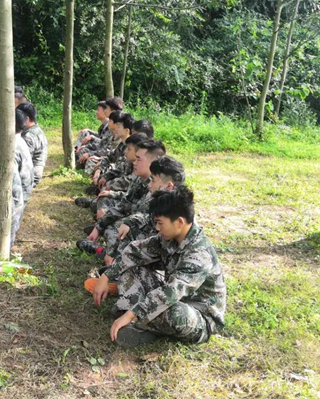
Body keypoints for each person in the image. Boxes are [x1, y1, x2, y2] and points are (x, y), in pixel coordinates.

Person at [92, 186, 226, 348]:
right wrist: (106, 276)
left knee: (174, 312)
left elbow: (171, 293)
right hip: (172, 297)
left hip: (200, 315)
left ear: (180, 222)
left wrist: (132, 313)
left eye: (160, 223)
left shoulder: (199, 254)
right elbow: (135, 252)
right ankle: (136, 318)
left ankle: (141, 325)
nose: (156, 228)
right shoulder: (169, 238)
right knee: (133, 267)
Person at [77, 139, 166, 257]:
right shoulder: (141, 179)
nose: (134, 163)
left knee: (116, 230)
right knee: (113, 224)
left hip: (151, 237)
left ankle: (103, 253)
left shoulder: (161, 188)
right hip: (135, 222)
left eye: (138, 159)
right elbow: (124, 204)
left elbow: (148, 222)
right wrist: (98, 228)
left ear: (153, 162)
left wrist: (126, 223)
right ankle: (110, 254)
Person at [17, 102, 48, 187]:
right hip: (36, 171)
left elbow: (22, 161)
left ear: (26, 119)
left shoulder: (29, 136)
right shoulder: (37, 129)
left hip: (31, 175)